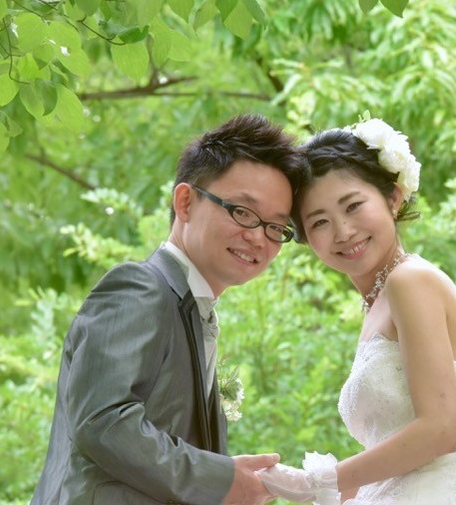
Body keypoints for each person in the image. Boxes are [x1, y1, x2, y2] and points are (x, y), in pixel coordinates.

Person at [31, 113, 308, 504]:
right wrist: (220, 478)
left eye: (276, 227)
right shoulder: (139, 288)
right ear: (185, 201)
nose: (258, 237)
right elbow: (102, 420)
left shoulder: (194, 312)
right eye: (243, 212)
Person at [259, 119, 456, 505]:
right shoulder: (379, 303)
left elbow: (441, 431)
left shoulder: (410, 281)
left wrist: (314, 482)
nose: (343, 231)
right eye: (320, 222)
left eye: (353, 206)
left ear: (393, 198)